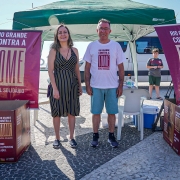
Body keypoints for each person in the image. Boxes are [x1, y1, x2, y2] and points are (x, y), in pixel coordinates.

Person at [83, 19, 125, 148]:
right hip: (96, 86)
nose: (103, 31)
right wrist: (88, 85)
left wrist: (120, 85)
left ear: (110, 31)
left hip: (112, 86)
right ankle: (95, 136)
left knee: (112, 112)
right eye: (101, 28)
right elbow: (87, 67)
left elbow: (121, 67)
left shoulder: (116, 46)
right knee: (96, 112)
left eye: (106, 28)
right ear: (97, 30)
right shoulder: (91, 46)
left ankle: (111, 136)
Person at [48, 24, 82, 148]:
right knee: (56, 113)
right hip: (58, 86)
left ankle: (71, 137)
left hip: (72, 85)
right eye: (60, 32)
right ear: (57, 36)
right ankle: (57, 138)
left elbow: (77, 69)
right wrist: (55, 88)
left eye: (65, 32)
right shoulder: (53, 50)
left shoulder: (75, 50)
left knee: (71, 112)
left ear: (68, 35)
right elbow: (50, 71)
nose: (63, 34)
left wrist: (79, 85)